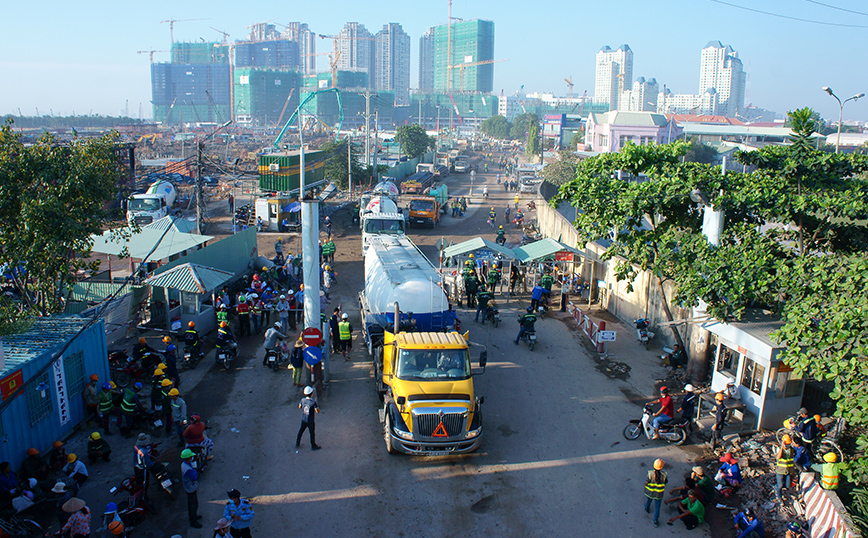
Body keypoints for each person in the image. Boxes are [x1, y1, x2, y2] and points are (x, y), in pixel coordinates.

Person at [180, 449, 203, 528]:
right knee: (194, 504)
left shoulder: (184, 464)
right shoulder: (187, 469)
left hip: (188, 487)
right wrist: (196, 470)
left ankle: (193, 516)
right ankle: (193, 521)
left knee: (191, 503)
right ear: (189, 457)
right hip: (190, 488)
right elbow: (194, 477)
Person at [643, 458, 668, 527]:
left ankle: (647, 508)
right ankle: (655, 521)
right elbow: (666, 482)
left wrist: (645, 484)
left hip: (650, 492)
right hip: (659, 494)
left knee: (649, 500)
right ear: (662, 467)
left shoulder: (650, 473)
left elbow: (647, 481)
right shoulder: (664, 474)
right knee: (657, 507)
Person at [296, 386, 321, 451]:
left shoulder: (302, 400)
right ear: (311, 393)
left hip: (304, 419)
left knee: (301, 431)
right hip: (310, 421)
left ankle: (297, 443)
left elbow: (300, 406)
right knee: (312, 434)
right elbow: (317, 411)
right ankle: (313, 446)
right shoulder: (313, 402)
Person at [774, 435, 795, 502]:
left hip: (788, 470)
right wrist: (782, 447)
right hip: (780, 471)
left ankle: (787, 494)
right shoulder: (779, 449)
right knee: (779, 485)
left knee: (788, 485)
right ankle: (779, 497)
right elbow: (778, 457)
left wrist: (792, 471)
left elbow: (791, 460)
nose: (787, 445)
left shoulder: (791, 449)